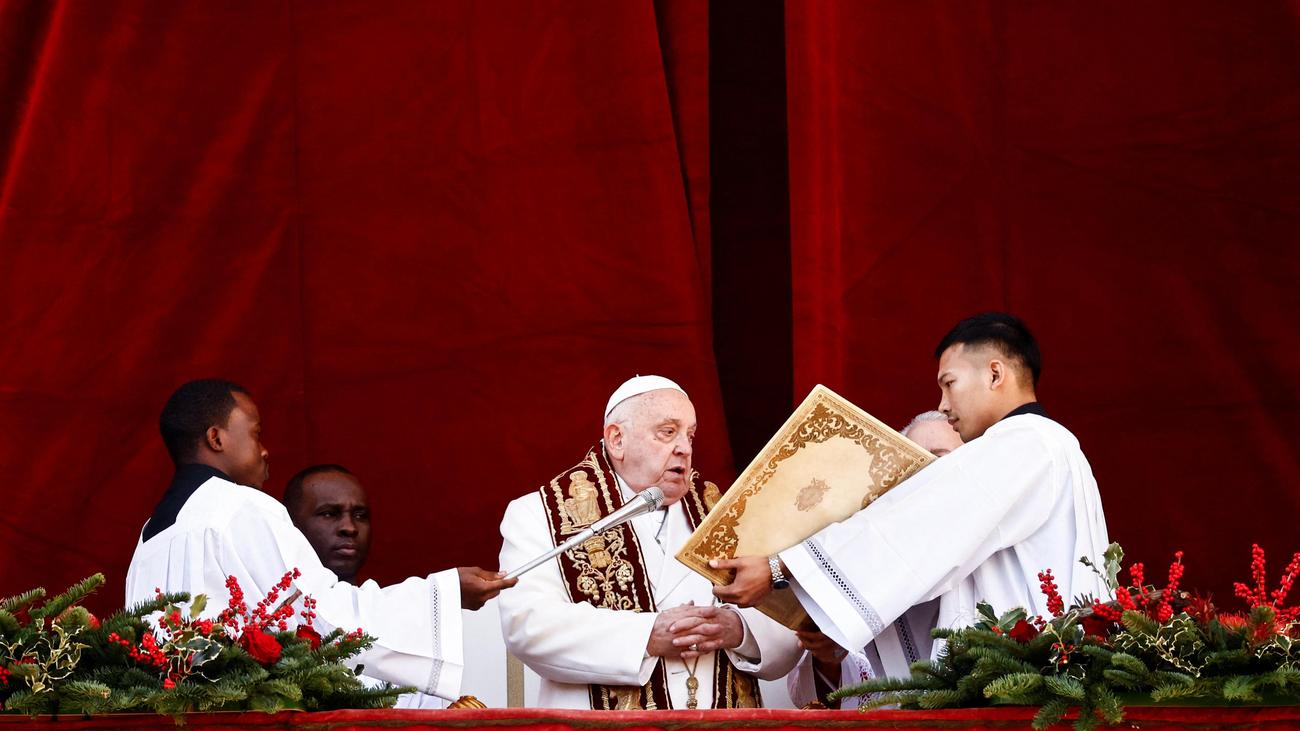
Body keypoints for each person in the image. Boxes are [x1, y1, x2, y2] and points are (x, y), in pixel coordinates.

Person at [712, 313, 1111, 673]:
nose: (943, 405)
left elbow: (915, 526)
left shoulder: (1022, 443)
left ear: (994, 374)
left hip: (1019, 683)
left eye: (949, 384)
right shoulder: (1051, 445)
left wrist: (781, 566)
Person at [126, 379, 515, 701]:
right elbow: (321, 618)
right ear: (216, 438)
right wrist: (444, 592)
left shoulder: (150, 536)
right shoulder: (241, 506)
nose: (265, 450)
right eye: (257, 433)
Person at [497, 376, 801, 709]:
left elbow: (791, 628)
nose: (685, 448)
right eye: (667, 432)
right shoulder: (541, 514)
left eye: (689, 435)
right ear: (617, 440)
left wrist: (738, 629)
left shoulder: (726, 514)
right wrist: (647, 635)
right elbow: (528, 624)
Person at [786, 410, 962, 709]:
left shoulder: (995, 553)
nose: (926, 475)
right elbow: (822, 691)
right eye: (915, 464)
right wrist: (828, 657)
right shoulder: (866, 557)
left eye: (940, 459)